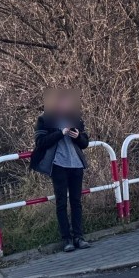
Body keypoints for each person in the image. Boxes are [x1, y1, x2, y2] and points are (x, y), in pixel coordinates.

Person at [30, 88, 91, 252]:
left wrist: (78, 137)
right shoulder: (44, 119)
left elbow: (85, 143)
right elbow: (40, 142)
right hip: (58, 166)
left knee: (76, 202)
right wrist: (60, 133)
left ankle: (79, 237)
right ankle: (67, 239)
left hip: (76, 165)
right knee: (61, 203)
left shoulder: (75, 118)